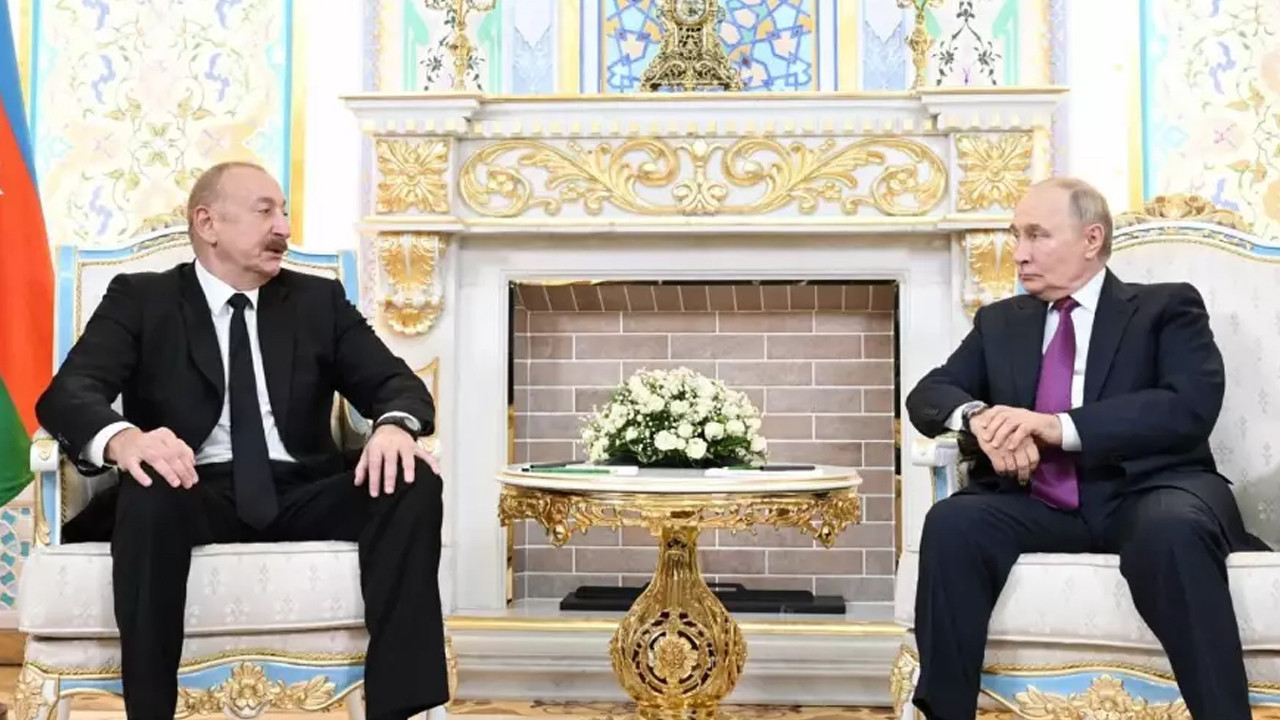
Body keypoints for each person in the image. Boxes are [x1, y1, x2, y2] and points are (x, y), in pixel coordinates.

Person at [35, 161, 448, 720]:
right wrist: (124, 439)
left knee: (410, 478)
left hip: (302, 488)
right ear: (207, 222)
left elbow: (395, 383)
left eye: (284, 212)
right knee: (149, 489)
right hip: (192, 488)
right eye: (265, 211)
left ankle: (396, 710)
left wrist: (394, 426)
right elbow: (69, 393)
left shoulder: (317, 301)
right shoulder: (142, 298)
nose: (284, 227)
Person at [904, 176, 1268, 720]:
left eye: (1036, 235)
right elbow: (929, 394)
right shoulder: (1001, 322)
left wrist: (1057, 427)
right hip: (1037, 502)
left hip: (1149, 491)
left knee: (1171, 531)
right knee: (953, 523)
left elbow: (1188, 407)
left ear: (1091, 239)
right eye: (1016, 236)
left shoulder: (1165, 308)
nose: (1019, 253)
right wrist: (980, 418)